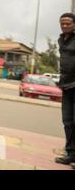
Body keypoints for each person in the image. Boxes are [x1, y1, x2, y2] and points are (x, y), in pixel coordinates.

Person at [55, 13, 75, 169]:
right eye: (62, 23)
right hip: (66, 85)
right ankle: (71, 153)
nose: (65, 25)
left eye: (68, 23)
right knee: (67, 121)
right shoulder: (61, 40)